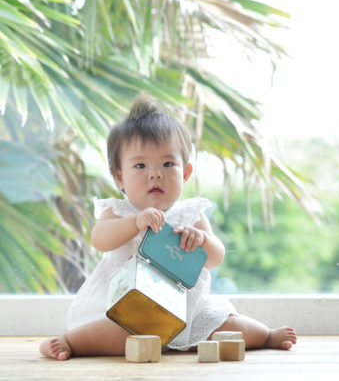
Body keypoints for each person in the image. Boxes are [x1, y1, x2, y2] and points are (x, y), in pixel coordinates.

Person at [40, 93, 296, 360]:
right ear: (119, 176)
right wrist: (134, 223)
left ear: (185, 173)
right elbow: (99, 239)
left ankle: (265, 335)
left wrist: (202, 240)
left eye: (167, 164)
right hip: (129, 309)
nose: (155, 173)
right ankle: (70, 342)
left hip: (186, 311)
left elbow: (216, 257)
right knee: (114, 333)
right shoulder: (119, 211)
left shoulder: (189, 213)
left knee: (231, 325)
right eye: (140, 165)